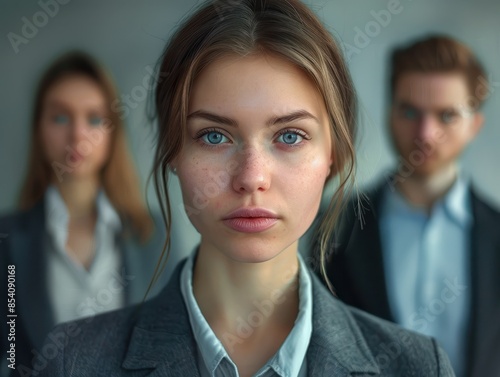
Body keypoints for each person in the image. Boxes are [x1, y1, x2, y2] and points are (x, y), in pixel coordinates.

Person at [36, 2, 454, 376]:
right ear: (172, 153)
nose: (252, 177)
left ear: (335, 155)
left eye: (289, 136)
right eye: (214, 136)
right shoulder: (70, 362)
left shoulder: (417, 367)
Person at [323, 35, 500, 377]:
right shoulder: (335, 227)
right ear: (390, 113)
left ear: (474, 125)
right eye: (409, 111)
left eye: (446, 115)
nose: (426, 133)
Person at [0, 52, 170, 377]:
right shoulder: (7, 239)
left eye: (94, 118)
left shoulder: (153, 234)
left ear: (112, 133)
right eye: (60, 117)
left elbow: (168, 344)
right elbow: (8, 350)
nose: (77, 135)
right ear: (39, 128)